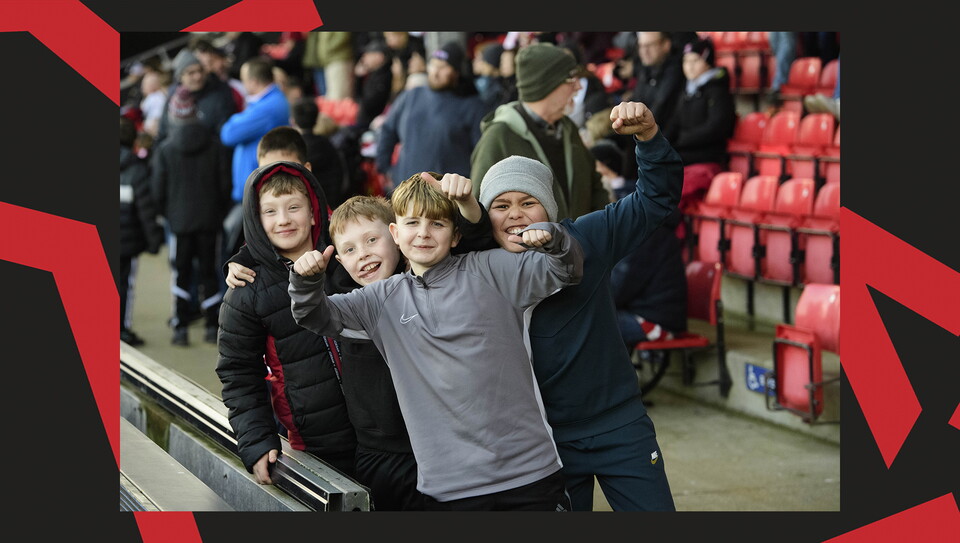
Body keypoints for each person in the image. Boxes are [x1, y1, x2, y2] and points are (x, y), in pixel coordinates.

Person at [287, 172, 584, 511]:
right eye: (412, 223)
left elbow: (565, 270)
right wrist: (305, 280)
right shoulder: (378, 299)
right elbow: (315, 316)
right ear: (396, 234)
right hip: (450, 489)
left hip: (530, 474)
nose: (424, 233)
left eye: (437, 224)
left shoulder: (492, 269)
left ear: (456, 235)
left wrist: (554, 238)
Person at [474, 101, 680, 511]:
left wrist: (648, 137)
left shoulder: (585, 237)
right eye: (501, 205)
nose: (516, 215)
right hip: (543, 441)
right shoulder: (476, 267)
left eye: (528, 202)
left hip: (619, 426)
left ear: (549, 209)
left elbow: (655, 200)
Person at [215, 160, 357, 485]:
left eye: (294, 207)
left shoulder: (348, 260)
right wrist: (256, 439)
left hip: (383, 433)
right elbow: (238, 372)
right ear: (255, 219)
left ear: (313, 212)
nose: (284, 220)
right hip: (314, 442)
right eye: (270, 212)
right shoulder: (247, 289)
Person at [470, 42, 610, 221]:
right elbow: (478, 211)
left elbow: (594, 186)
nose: (579, 87)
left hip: (578, 247)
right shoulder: (499, 136)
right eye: (570, 80)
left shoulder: (568, 128)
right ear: (546, 86)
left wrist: (600, 232)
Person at [150, 86, 233, 346]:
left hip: (179, 222)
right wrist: (217, 212)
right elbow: (224, 186)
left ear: (174, 116)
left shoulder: (165, 150)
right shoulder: (216, 146)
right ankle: (212, 325)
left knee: (181, 272)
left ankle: (181, 327)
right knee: (210, 271)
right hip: (210, 220)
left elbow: (157, 190)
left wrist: (168, 215)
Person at [374, 41, 490, 193]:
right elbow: (388, 130)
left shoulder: (474, 106)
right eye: (433, 64)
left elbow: (481, 156)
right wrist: (384, 168)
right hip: (405, 191)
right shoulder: (412, 95)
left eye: (443, 67)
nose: (435, 72)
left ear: (456, 72)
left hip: (446, 198)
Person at [661, 36, 736, 239]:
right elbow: (673, 125)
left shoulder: (718, 91)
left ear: (707, 61)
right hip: (683, 160)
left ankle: (677, 241)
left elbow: (716, 127)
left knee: (671, 193)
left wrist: (681, 141)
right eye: (686, 61)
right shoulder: (686, 92)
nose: (689, 67)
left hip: (706, 161)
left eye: (695, 61)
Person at [220, 55, 291, 260]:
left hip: (256, 189)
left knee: (237, 251)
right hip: (251, 187)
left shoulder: (269, 105)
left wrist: (236, 117)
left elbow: (228, 133)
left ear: (252, 81)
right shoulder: (267, 102)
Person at [120, 115, 165, 347]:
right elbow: (146, 209)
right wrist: (154, 241)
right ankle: (122, 330)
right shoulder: (137, 169)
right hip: (127, 242)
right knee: (124, 285)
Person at [289, 98, 350, 208]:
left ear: (293, 121)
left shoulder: (294, 149)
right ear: (317, 119)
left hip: (313, 206)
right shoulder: (327, 144)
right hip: (334, 204)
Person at [627, 32, 685, 136]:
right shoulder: (646, 69)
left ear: (666, 45)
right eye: (641, 46)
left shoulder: (675, 71)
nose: (644, 51)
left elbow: (659, 110)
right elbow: (637, 99)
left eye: (649, 45)